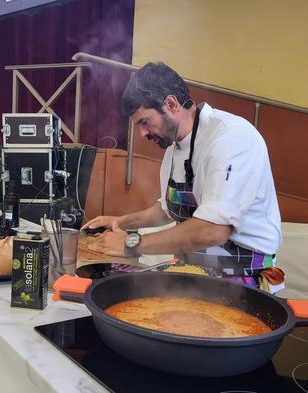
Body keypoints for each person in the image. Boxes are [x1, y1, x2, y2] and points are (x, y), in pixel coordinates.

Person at [81, 62, 283, 291]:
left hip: (244, 282)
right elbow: (166, 210)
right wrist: (120, 222)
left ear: (171, 104)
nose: (142, 133)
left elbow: (214, 229)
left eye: (145, 122)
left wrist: (132, 244)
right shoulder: (173, 149)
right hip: (191, 276)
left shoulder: (232, 137)